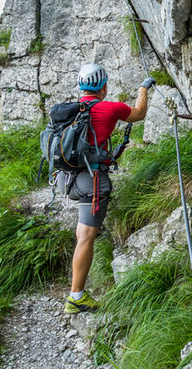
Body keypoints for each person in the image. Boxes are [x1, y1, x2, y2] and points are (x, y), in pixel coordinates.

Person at [63, 63, 155, 313]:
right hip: (93, 181)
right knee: (86, 237)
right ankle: (76, 297)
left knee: (83, 235)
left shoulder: (71, 110)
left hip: (69, 180)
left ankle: (76, 292)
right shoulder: (110, 108)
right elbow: (139, 113)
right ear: (103, 87)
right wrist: (143, 88)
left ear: (81, 86)